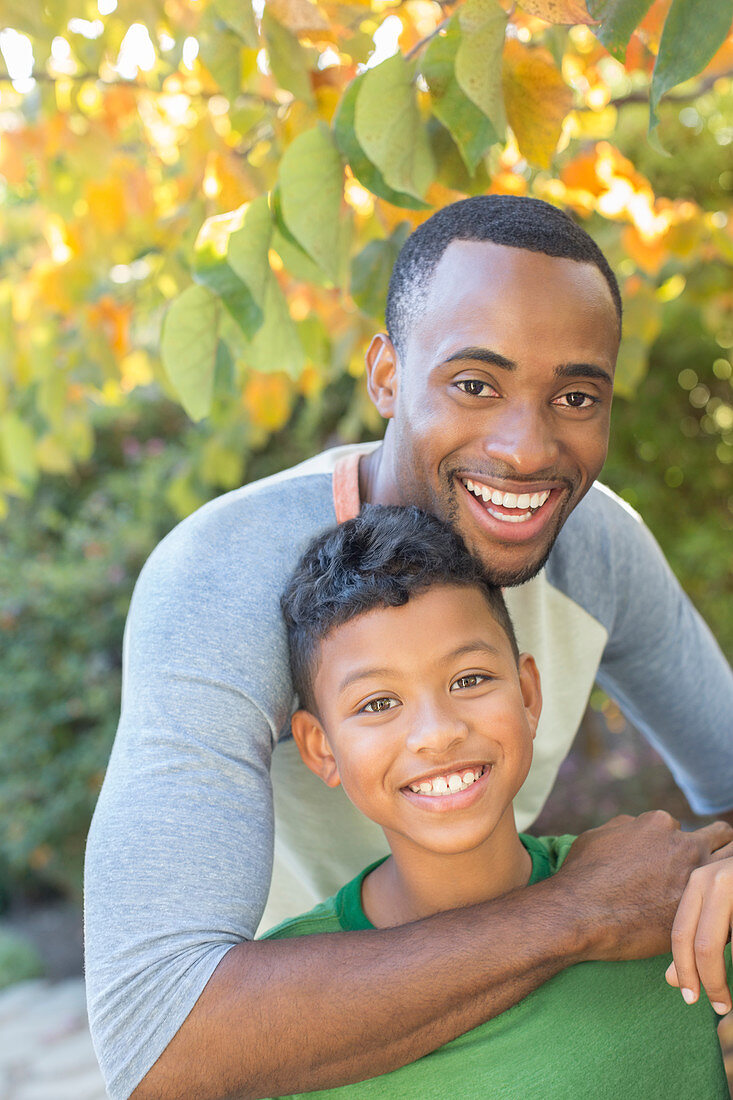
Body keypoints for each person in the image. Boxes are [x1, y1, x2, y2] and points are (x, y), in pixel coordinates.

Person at [84, 196, 733, 1100]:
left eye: (575, 396)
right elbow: (157, 1039)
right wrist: (578, 914)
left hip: (531, 1028)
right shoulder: (223, 580)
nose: (525, 446)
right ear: (387, 376)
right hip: (298, 1059)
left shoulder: (599, 549)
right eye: (475, 383)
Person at [265, 502, 733, 1098]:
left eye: (469, 680)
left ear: (529, 694)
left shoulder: (663, 891)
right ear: (321, 749)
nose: (437, 732)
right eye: (378, 704)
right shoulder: (275, 1005)